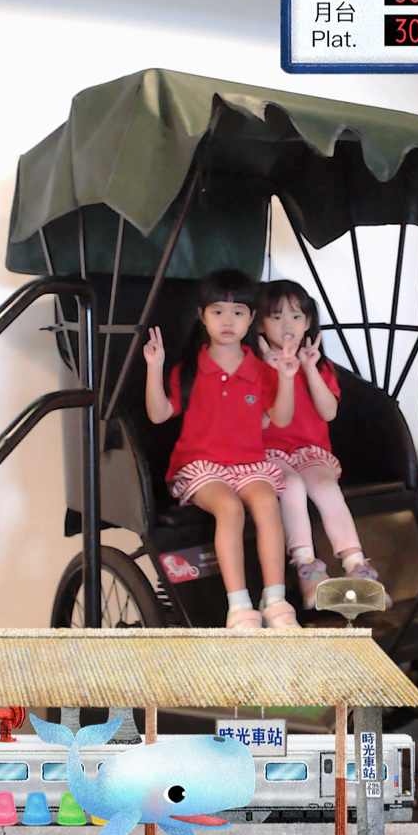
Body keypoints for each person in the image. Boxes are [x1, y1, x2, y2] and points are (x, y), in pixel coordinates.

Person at [143, 268, 302, 631]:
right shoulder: (189, 368)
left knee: (267, 504)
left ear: (251, 318)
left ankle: (276, 601)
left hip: (249, 464)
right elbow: (158, 414)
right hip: (201, 466)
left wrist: (287, 379)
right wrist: (155, 367)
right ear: (202, 316)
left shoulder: (261, 370)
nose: (228, 321)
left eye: (238, 312)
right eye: (218, 311)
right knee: (230, 508)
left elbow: (280, 418)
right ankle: (240, 607)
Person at [256, 279, 390, 610]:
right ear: (259, 325)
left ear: (309, 324)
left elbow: (329, 412)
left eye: (297, 317)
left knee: (327, 489)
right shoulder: (254, 367)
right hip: (268, 453)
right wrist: (280, 374)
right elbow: (266, 421)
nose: (288, 325)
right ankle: (308, 570)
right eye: (276, 317)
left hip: (310, 451)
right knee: (291, 485)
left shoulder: (319, 365)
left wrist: (308, 368)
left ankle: (356, 565)